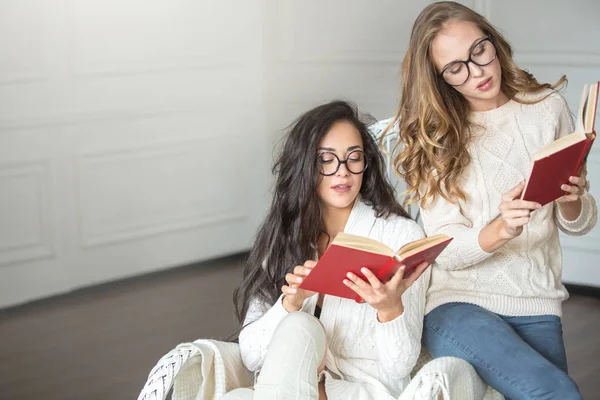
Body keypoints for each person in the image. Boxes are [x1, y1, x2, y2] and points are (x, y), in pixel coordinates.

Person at [388, 2, 597, 399]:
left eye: (479, 51)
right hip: (459, 305)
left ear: (493, 41)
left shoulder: (548, 109)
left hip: (537, 301)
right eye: (455, 68)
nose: (477, 71)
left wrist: (571, 197)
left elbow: (580, 221)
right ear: (440, 78)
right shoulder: (438, 137)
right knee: (557, 393)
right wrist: (500, 229)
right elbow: (443, 249)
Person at [222, 100, 459, 400]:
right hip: (290, 386)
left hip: (359, 391)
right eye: (326, 159)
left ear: (365, 164)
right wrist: (289, 303)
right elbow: (251, 356)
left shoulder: (399, 235)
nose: (343, 172)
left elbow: (400, 366)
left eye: (353, 158)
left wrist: (390, 310)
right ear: (305, 164)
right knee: (296, 327)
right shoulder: (283, 237)